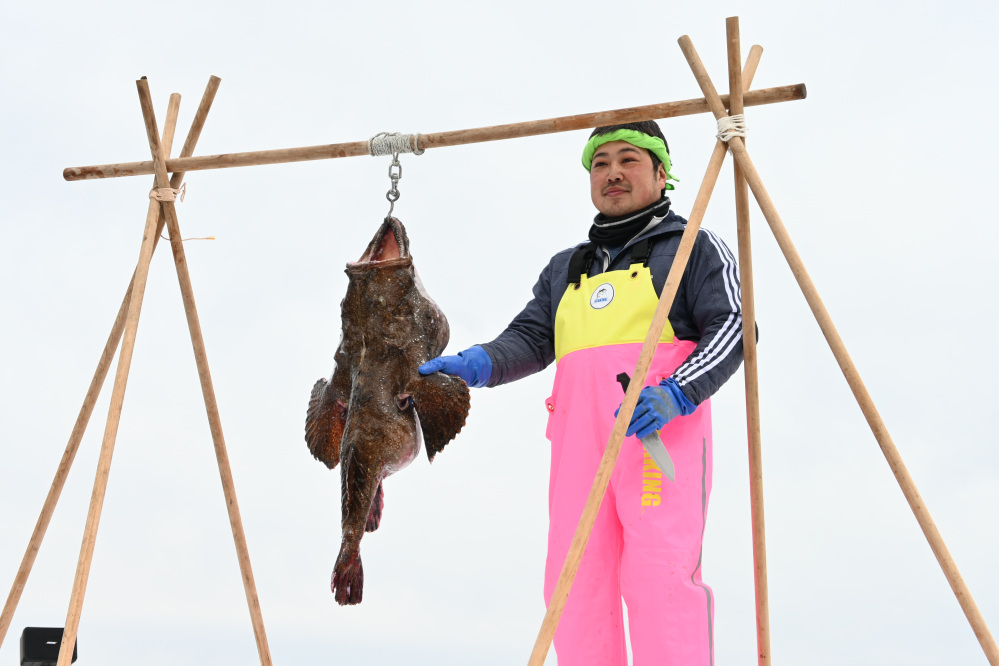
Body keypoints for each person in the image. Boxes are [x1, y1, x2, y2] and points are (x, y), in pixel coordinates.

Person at [419, 120, 745, 666]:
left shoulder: (691, 248)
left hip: (655, 441)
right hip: (578, 446)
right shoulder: (567, 267)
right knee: (574, 590)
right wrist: (478, 363)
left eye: (629, 160)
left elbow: (734, 326)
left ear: (662, 174)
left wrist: (680, 392)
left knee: (660, 582)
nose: (612, 173)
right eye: (600, 163)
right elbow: (529, 338)